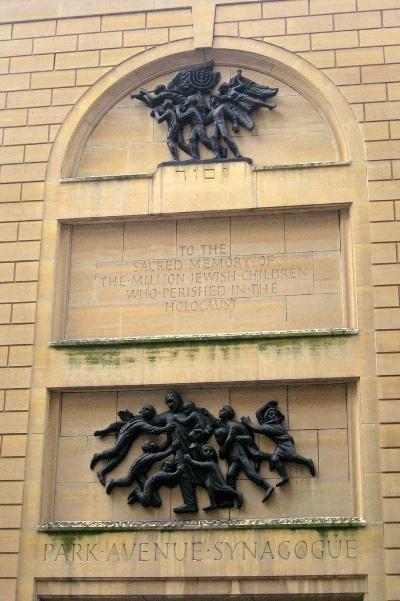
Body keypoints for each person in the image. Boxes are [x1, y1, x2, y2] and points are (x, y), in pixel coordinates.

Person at [90, 404, 174, 485]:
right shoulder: (141, 423)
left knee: (120, 456)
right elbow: (153, 430)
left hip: (128, 439)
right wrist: (166, 428)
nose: (149, 412)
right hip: (124, 436)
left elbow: (116, 424)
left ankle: (102, 471)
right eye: (147, 409)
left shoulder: (139, 420)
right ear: (141, 411)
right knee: (114, 451)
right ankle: (98, 456)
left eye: (151, 412)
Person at [241, 400, 316, 486]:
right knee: (275, 459)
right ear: (267, 417)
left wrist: (247, 423)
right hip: (281, 445)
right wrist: (267, 405)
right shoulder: (268, 424)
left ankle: (307, 462)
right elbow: (258, 413)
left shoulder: (272, 426)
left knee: (293, 457)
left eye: (275, 414)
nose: (273, 416)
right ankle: (284, 476)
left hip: (286, 443)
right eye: (271, 414)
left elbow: (257, 429)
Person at [215, 406, 274, 502]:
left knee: (250, 472)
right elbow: (215, 423)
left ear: (229, 414)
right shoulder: (224, 424)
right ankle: (232, 497)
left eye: (223, 410)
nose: (220, 411)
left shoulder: (232, 426)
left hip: (241, 453)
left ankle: (267, 487)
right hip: (236, 454)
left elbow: (229, 440)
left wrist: (222, 451)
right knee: (230, 475)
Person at [105, 439, 180, 506]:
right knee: (127, 481)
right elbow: (160, 456)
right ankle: (113, 482)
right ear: (149, 449)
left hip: (141, 474)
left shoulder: (152, 452)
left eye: (152, 441)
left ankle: (138, 495)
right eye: (150, 443)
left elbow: (163, 447)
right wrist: (172, 450)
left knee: (156, 502)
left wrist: (169, 438)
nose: (152, 443)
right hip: (134, 472)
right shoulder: (149, 457)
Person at [184, 445, 243, 511]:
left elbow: (197, 464)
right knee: (210, 489)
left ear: (214, 453)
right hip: (210, 480)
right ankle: (213, 504)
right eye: (205, 451)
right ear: (201, 453)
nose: (208, 452)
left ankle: (237, 495)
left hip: (216, 481)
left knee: (224, 488)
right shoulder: (207, 462)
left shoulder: (210, 463)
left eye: (210, 451)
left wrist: (189, 460)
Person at [209, 95, 242, 159]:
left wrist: (235, 123)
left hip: (221, 123)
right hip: (215, 124)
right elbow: (207, 119)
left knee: (225, 136)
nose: (211, 100)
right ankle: (217, 155)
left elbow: (232, 114)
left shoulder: (222, 106)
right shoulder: (212, 110)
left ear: (216, 98)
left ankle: (236, 153)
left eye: (212, 98)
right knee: (213, 137)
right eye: (210, 99)